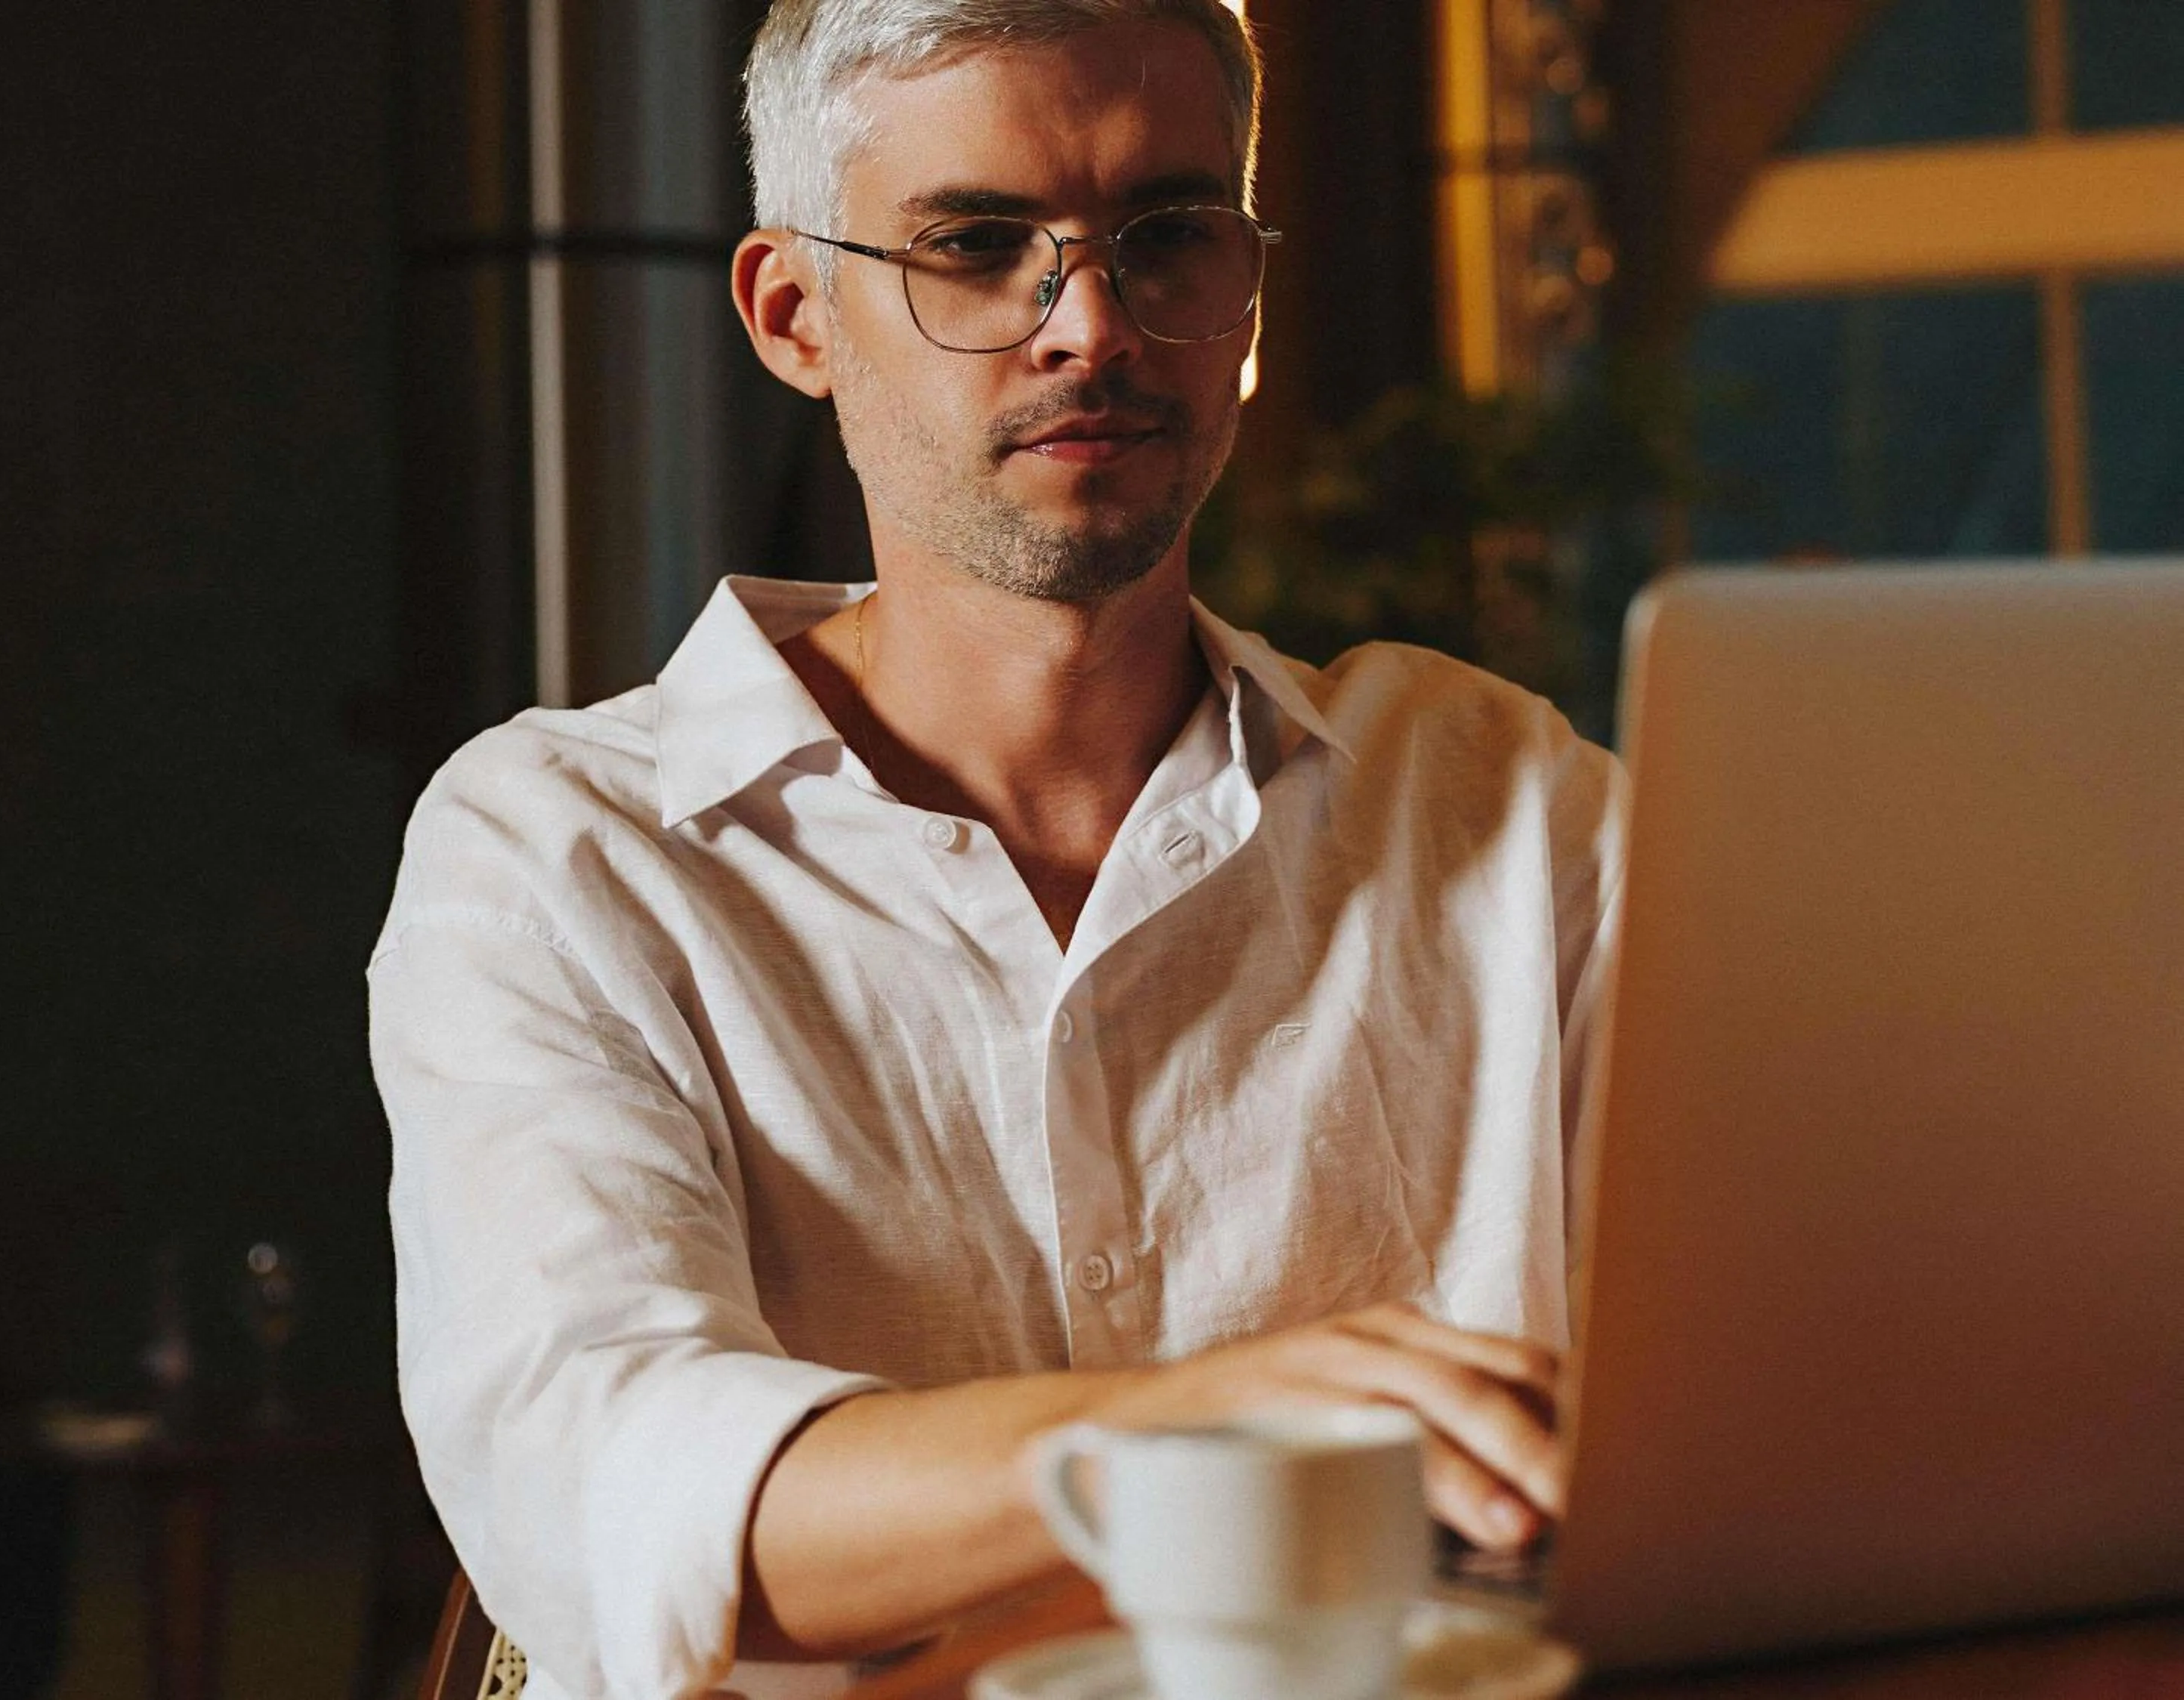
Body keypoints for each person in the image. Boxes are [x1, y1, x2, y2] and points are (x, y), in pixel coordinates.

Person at [369, 3, 1625, 1697]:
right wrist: (1195, 1436)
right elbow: (619, 1482)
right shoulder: (558, 858)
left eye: (1167, 236)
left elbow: (1785, 1361)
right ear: (796, 316)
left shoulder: (1509, 804)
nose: (1090, 326)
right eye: (973, 246)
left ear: (1248, 296)